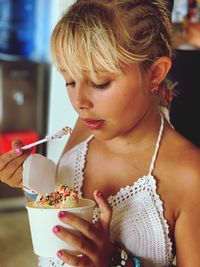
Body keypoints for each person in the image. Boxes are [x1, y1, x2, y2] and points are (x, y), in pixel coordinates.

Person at [1, 0, 200, 266]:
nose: (79, 101)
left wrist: (116, 261)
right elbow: (59, 219)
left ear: (154, 74)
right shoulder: (86, 127)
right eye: (70, 81)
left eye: (99, 83)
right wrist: (31, 181)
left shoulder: (189, 175)